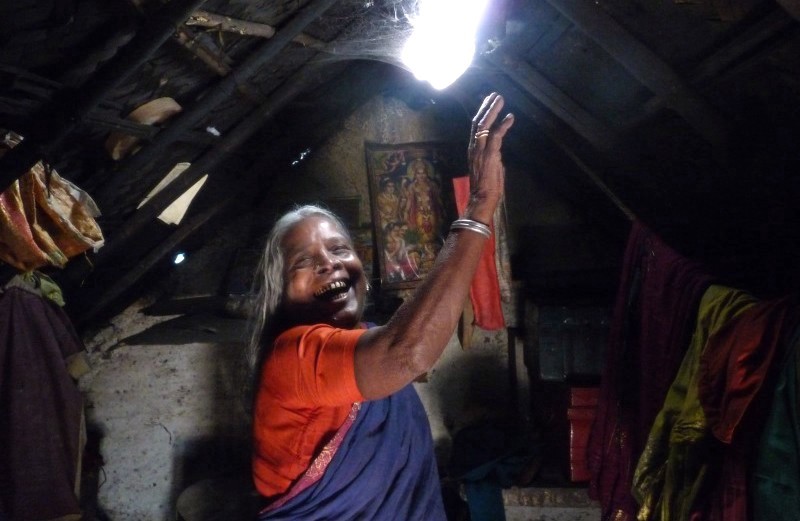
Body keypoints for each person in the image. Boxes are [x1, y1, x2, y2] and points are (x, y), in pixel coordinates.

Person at [245, 92, 514, 520]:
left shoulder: (366, 342)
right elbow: (408, 353)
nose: (328, 262)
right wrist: (479, 206)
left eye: (338, 249)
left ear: (362, 270)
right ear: (280, 291)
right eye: (303, 261)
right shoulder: (291, 357)